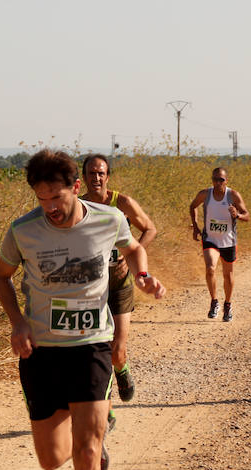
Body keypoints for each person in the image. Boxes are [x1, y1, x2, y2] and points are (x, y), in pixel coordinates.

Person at [0, 149, 165, 470]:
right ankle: (88, 433)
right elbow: (1, 276)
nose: (49, 206)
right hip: (42, 352)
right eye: (41, 197)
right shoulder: (24, 231)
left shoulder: (108, 219)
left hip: (91, 347)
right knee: (52, 459)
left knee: (86, 454)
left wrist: (143, 276)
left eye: (56, 196)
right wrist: (17, 323)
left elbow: (132, 250)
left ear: (75, 187)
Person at [81, 154, 157, 407]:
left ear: (108, 176)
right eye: (91, 173)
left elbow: (150, 228)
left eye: (101, 173)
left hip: (121, 284)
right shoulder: (78, 207)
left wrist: (132, 252)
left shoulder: (121, 203)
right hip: (92, 289)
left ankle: (122, 370)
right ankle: (106, 406)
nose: (96, 178)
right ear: (84, 177)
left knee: (117, 351)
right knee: (96, 351)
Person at [189, 167, 251, 321]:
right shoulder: (205, 194)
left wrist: (237, 215)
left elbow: (247, 216)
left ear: (226, 180)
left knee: (227, 274)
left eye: (221, 180)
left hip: (228, 240)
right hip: (210, 239)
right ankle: (214, 301)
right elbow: (193, 206)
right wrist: (196, 226)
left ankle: (228, 305)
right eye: (215, 179)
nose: (218, 183)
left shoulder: (233, 195)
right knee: (210, 269)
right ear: (212, 180)